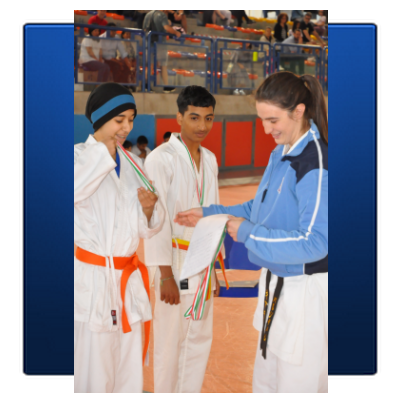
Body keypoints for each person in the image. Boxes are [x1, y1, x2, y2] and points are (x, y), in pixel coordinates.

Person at [175, 71, 328, 393]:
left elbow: (316, 243)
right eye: (262, 120)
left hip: (304, 293)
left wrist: (247, 233)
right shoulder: (282, 151)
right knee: (266, 383)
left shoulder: (315, 163)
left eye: (273, 120)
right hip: (275, 285)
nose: (266, 129)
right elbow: (258, 207)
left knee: (296, 385)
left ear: (299, 111)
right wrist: (211, 213)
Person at [74, 83, 165, 393]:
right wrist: (103, 154)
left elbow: (147, 228)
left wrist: (149, 211)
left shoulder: (135, 166)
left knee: (127, 371)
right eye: (119, 120)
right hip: (94, 279)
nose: (127, 128)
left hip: (128, 281)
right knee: (94, 369)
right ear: (100, 119)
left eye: (131, 119)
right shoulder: (77, 158)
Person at [143, 86, 222, 393]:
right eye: (194, 117)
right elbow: (157, 220)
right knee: (169, 343)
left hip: (202, 263)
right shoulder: (160, 159)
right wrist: (164, 275)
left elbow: (214, 215)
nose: (202, 126)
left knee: (199, 340)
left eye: (208, 118)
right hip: (173, 263)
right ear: (179, 117)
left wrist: (213, 268)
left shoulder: (211, 159)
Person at [143, 10, 181, 92]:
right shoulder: (162, 15)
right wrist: (176, 32)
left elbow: (144, 29)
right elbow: (166, 28)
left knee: (150, 66)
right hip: (160, 44)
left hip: (149, 43)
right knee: (163, 66)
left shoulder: (148, 14)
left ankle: (145, 86)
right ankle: (166, 86)